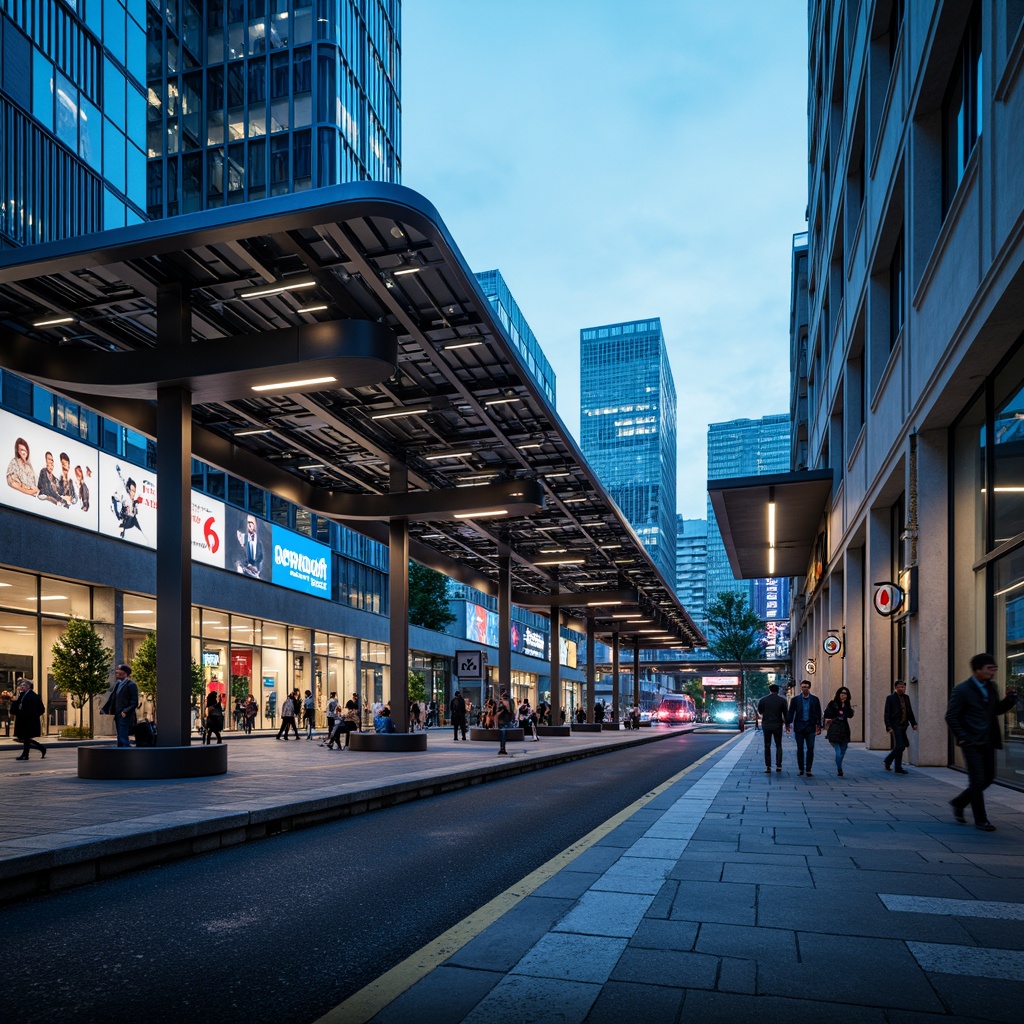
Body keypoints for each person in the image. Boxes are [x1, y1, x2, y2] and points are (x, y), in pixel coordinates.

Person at [945, 653, 1017, 832]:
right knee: (977, 781)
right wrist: (962, 736)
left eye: (994, 668)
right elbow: (951, 716)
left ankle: (959, 802)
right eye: (989, 668)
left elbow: (996, 710)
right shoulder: (962, 690)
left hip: (988, 740)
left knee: (988, 779)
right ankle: (981, 820)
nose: (993, 671)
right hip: (971, 742)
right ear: (977, 670)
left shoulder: (991, 687)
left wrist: (1010, 700)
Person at [786, 679, 822, 777]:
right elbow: (791, 712)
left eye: (806, 687)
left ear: (809, 687)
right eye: (802, 687)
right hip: (799, 728)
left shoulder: (815, 699)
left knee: (810, 748)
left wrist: (819, 726)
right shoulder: (795, 700)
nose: (804, 689)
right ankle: (801, 768)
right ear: (801, 688)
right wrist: (788, 724)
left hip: (810, 727)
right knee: (800, 748)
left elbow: (818, 713)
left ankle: (809, 769)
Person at [883, 679, 918, 774]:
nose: (900, 689)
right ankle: (898, 767)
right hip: (895, 725)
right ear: (895, 688)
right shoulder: (890, 698)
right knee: (900, 745)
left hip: (904, 725)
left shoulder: (906, 697)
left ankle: (888, 760)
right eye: (898, 687)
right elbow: (887, 713)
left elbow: (909, 712)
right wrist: (888, 727)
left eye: (902, 687)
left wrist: (914, 723)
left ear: (904, 688)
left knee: (904, 745)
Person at [101, 663, 139, 748]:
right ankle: (121, 752)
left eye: (119, 672)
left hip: (125, 714)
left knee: (123, 735)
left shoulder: (131, 685)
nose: (117, 674)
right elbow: (113, 698)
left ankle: (126, 753)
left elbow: (134, 702)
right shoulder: (118, 684)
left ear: (125, 674)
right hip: (118, 713)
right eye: (117, 672)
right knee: (120, 735)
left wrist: (126, 711)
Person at [757, 683, 789, 773]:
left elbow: (760, 711)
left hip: (766, 725)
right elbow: (786, 714)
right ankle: (779, 766)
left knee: (767, 745)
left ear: (769, 690)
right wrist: (787, 725)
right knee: (778, 745)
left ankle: (768, 766)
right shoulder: (782, 701)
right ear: (778, 691)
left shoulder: (763, 700)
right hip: (778, 725)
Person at [823, 686, 855, 777]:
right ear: (838, 694)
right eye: (842, 694)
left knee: (843, 750)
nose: (843, 696)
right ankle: (839, 768)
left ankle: (839, 765)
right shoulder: (833, 703)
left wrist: (849, 710)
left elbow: (849, 715)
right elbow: (827, 714)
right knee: (837, 750)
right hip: (835, 728)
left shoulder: (847, 705)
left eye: (845, 694)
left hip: (844, 728)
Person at [11, 677, 46, 760]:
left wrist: (33, 716)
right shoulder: (22, 695)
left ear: (28, 686)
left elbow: (41, 709)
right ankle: (40, 748)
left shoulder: (34, 696)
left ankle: (26, 754)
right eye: (21, 685)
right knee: (24, 738)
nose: (22, 687)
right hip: (22, 720)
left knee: (26, 738)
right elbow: (18, 706)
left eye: (24, 685)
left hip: (29, 721)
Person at [495, 690, 515, 755]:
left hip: (502, 720)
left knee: (503, 734)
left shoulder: (501, 702)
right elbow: (511, 711)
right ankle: (503, 748)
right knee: (503, 734)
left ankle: (502, 748)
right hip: (506, 720)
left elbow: (497, 712)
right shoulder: (510, 701)